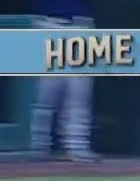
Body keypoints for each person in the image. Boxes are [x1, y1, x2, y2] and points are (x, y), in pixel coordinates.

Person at [29, 0, 99, 163]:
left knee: (79, 94)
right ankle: (37, 147)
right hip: (47, 24)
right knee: (44, 95)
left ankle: (77, 146)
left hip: (81, 25)